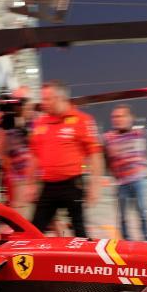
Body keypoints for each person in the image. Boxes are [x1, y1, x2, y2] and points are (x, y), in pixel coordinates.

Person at [26, 80, 103, 238]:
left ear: (60, 98)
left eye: (47, 99)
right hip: (48, 187)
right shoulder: (40, 122)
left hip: (72, 186)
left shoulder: (82, 120)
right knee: (34, 231)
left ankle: (83, 261)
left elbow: (95, 154)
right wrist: (30, 183)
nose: (43, 103)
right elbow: (34, 155)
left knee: (79, 231)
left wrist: (95, 185)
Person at [102, 105, 147, 240]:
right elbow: (106, 159)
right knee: (122, 216)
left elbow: (143, 155)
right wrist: (112, 174)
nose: (117, 119)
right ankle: (126, 242)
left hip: (138, 181)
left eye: (121, 116)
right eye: (115, 117)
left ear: (130, 118)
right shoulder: (108, 138)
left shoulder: (140, 133)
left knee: (142, 213)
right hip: (121, 183)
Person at [0, 86, 37, 210]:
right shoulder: (7, 121)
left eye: (24, 101)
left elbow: (36, 146)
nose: (20, 104)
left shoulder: (35, 121)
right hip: (18, 177)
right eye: (17, 100)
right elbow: (1, 149)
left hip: (34, 174)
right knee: (20, 209)